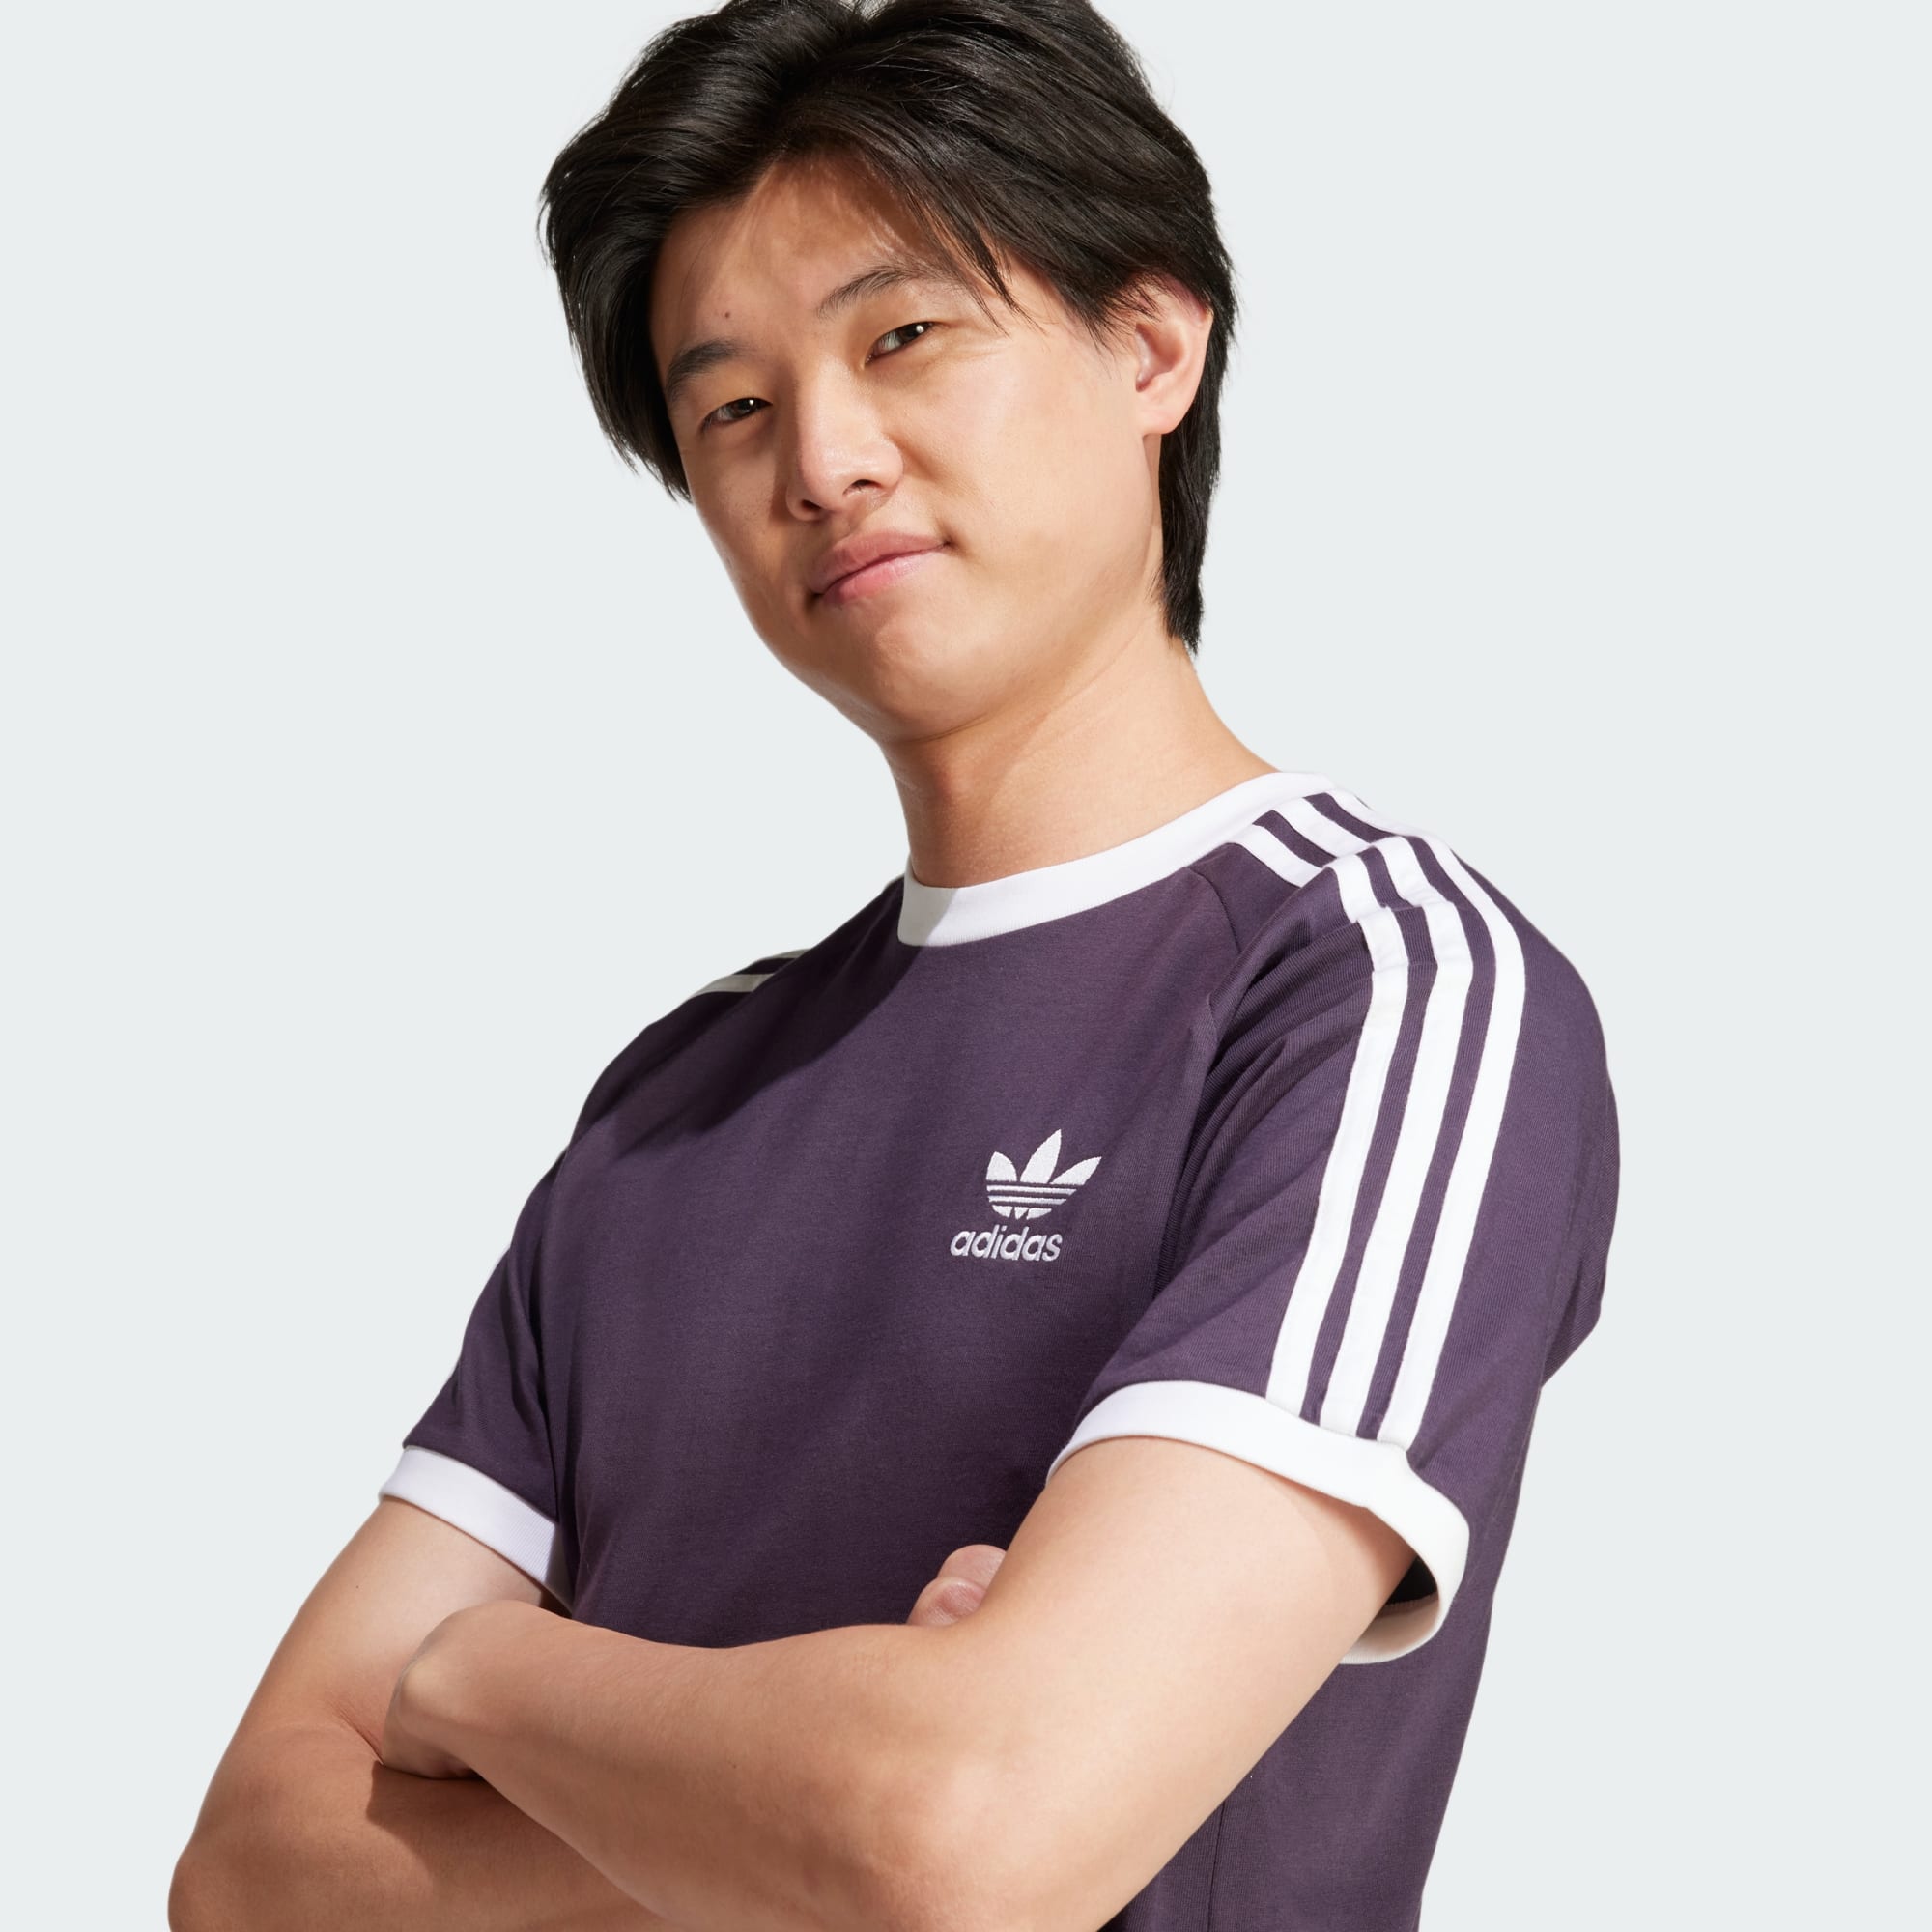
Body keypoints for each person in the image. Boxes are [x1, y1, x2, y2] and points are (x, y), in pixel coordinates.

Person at [171, 2, 1620, 1927]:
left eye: (904, 336)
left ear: (1150, 344)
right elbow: (249, 1873)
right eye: (732, 410)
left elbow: (961, 1839)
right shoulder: (675, 1101)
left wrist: (471, 1678)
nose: (823, 460)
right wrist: (826, 1798)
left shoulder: (1380, 987)